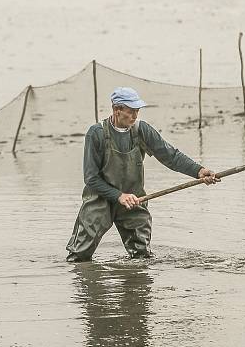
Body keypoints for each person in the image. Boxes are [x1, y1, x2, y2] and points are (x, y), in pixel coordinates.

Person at [66, 87, 219, 261]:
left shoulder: (141, 130)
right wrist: (118, 195)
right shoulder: (97, 133)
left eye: (137, 111)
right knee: (79, 257)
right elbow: (91, 178)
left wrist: (198, 171)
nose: (135, 116)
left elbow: (170, 156)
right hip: (100, 199)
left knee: (141, 257)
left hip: (133, 199)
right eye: (130, 112)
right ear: (117, 110)